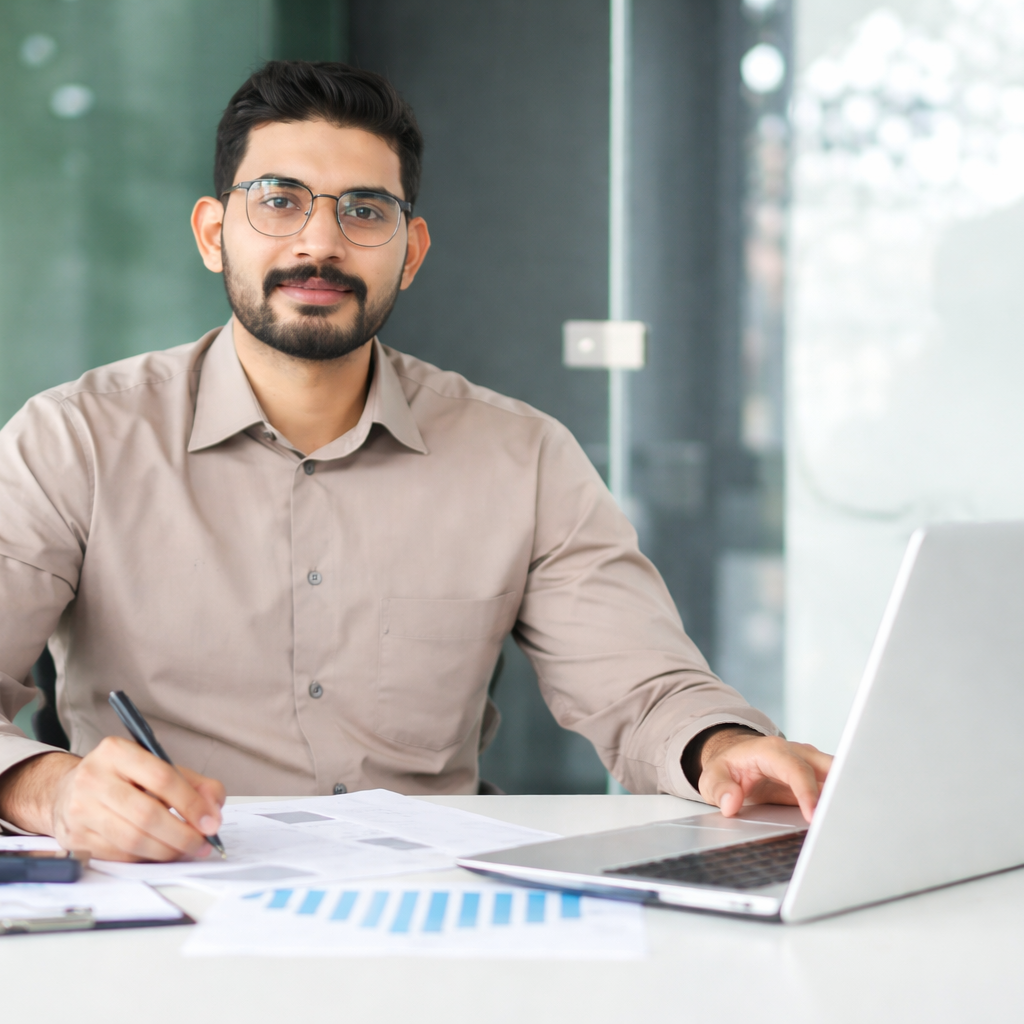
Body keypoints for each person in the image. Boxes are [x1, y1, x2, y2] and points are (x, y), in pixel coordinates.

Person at [0, 61, 830, 862]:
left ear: (412, 250)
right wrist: (51, 790)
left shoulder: (522, 457)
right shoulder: (75, 440)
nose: (320, 242)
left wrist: (723, 748)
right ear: (215, 235)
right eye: (279, 201)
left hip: (436, 910)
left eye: (364, 210)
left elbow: (644, 689)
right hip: (162, 901)